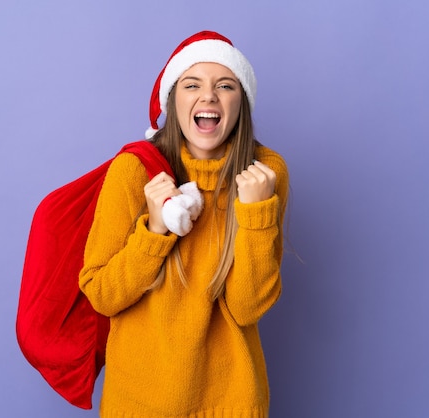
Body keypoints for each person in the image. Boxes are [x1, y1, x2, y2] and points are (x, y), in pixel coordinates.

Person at [79, 30, 289, 417]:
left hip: (231, 403)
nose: (208, 96)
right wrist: (154, 231)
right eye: (192, 84)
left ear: (241, 102)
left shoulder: (264, 174)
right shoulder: (133, 171)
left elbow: (246, 308)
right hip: (139, 405)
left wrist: (257, 216)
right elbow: (103, 295)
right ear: (174, 100)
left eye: (224, 86)